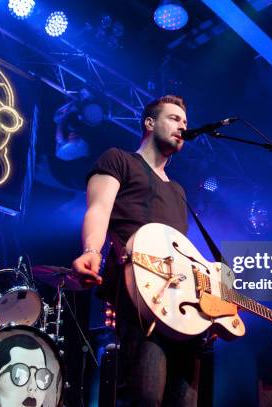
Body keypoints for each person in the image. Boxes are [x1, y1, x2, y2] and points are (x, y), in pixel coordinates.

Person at [72, 95, 202, 406]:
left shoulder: (178, 190)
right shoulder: (119, 159)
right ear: (149, 123)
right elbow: (99, 209)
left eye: (185, 122)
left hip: (181, 307)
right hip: (139, 296)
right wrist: (92, 248)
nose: (182, 126)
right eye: (174, 119)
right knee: (144, 396)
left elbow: (182, 251)